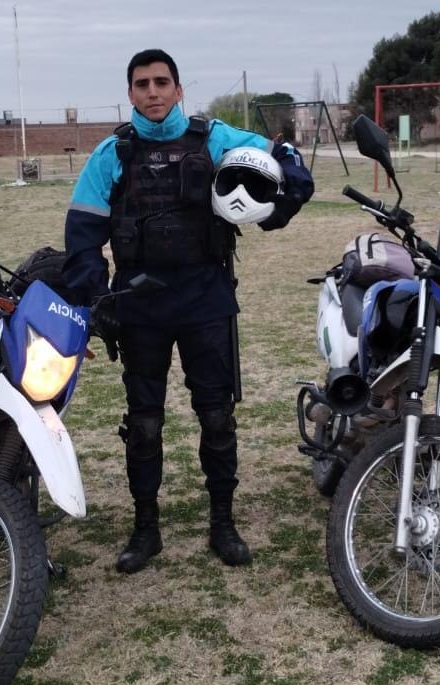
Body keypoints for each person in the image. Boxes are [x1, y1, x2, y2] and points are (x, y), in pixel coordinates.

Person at [63, 49, 314, 572]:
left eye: (161, 82)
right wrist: (96, 296)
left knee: (217, 417)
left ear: (178, 90)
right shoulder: (111, 154)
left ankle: (223, 522)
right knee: (145, 423)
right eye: (141, 84)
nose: (152, 92)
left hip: (205, 298)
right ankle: (145, 527)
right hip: (139, 304)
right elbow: (83, 235)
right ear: (130, 93)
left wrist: (285, 197)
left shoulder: (215, 138)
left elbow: (283, 158)